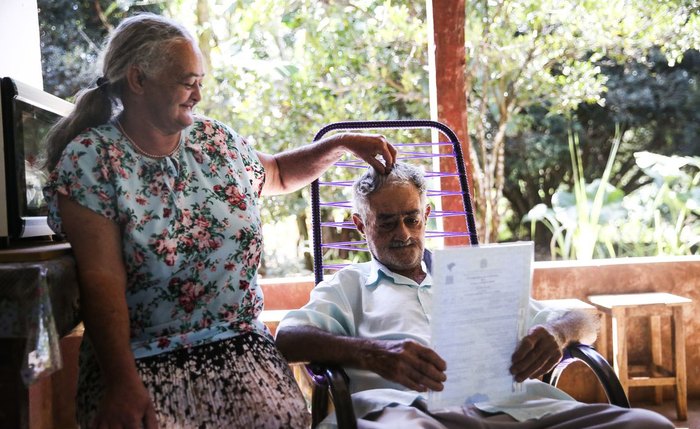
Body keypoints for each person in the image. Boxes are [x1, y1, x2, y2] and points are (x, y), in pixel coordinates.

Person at [43, 13, 397, 429]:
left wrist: (337, 145)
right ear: (138, 80)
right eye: (186, 81)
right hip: (144, 359)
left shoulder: (216, 141)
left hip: (242, 347)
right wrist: (122, 383)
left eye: (200, 82)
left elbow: (279, 173)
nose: (197, 94)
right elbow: (101, 281)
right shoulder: (92, 160)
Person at [275, 162, 675, 429]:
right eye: (386, 222)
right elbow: (288, 339)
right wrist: (373, 354)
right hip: (410, 416)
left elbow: (587, 320)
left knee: (648, 424)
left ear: (426, 217)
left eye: (412, 219)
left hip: (517, 410)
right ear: (363, 225)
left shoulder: (475, 276)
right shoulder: (349, 287)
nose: (404, 233)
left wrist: (558, 334)